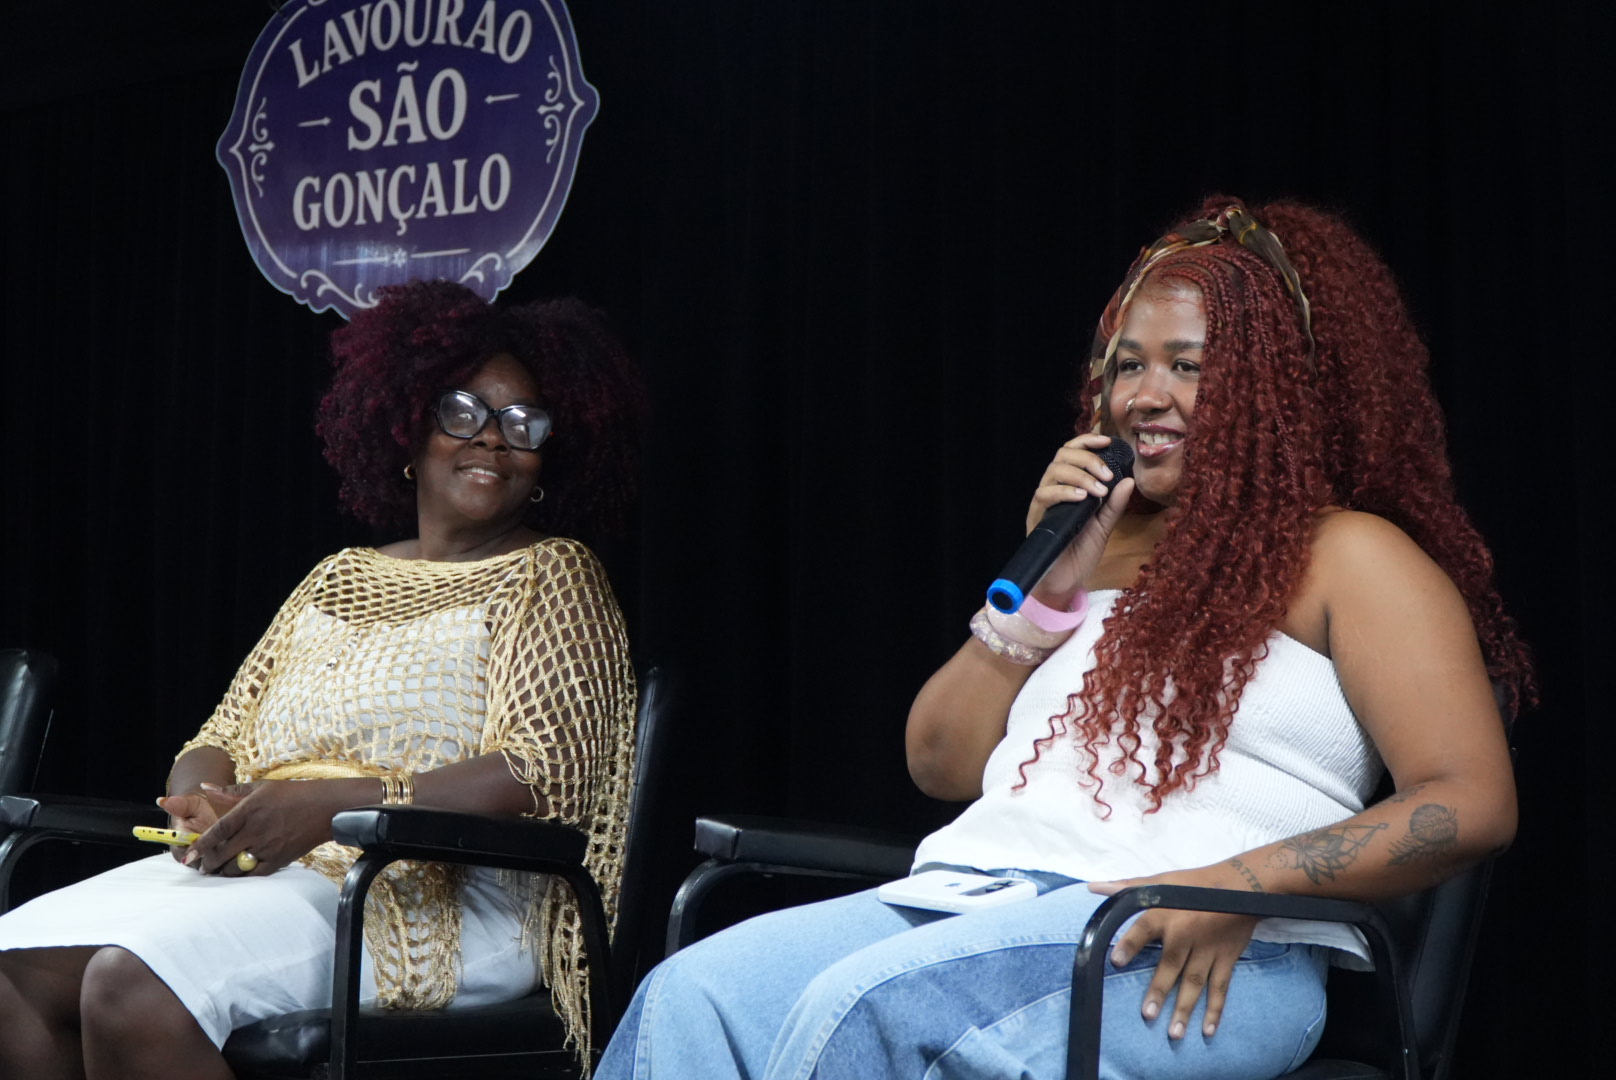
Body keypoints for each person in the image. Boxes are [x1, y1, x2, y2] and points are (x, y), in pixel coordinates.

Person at [596, 198, 1533, 1080]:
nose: (1145, 396)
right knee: (691, 995)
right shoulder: (1089, 553)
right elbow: (939, 762)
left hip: (1192, 946)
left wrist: (1239, 883)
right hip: (975, 903)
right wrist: (1044, 596)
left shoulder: (1350, 557)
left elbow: (1473, 801)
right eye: (1128, 366)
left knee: (868, 1012)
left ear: (1271, 389)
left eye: (1188, 366)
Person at [0, 280, 646, 1079]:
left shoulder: (551, 574)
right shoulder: (337, 577)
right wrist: (205, 803)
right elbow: (220, 734)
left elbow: (541, 770)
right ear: (407, 429)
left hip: (429, 891)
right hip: (269, 870)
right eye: (463, 412)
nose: (491, 437)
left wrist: (331, 807)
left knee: (130, 985)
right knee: (11, 975)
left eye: (523, 424)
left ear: (547, 458)